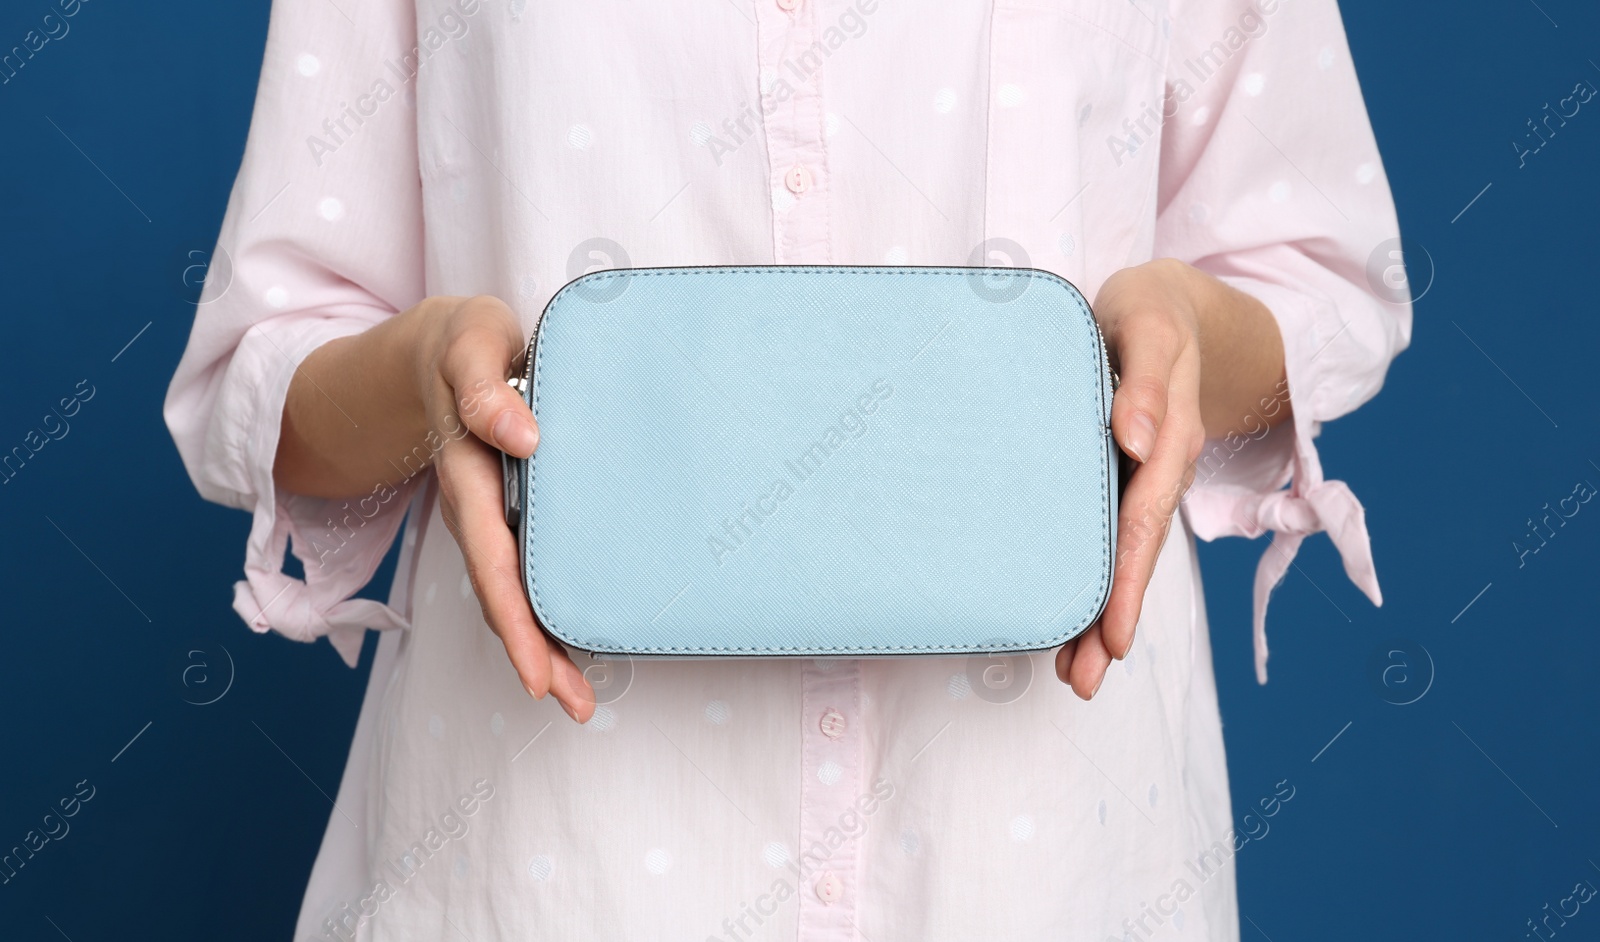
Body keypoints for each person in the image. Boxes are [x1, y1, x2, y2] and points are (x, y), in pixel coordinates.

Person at [165, 0, 1411, 937]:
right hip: (546, 862)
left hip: (1046, 867)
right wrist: (428, 372)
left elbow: (1318, 274)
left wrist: (1188, 330)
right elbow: (259, 374)